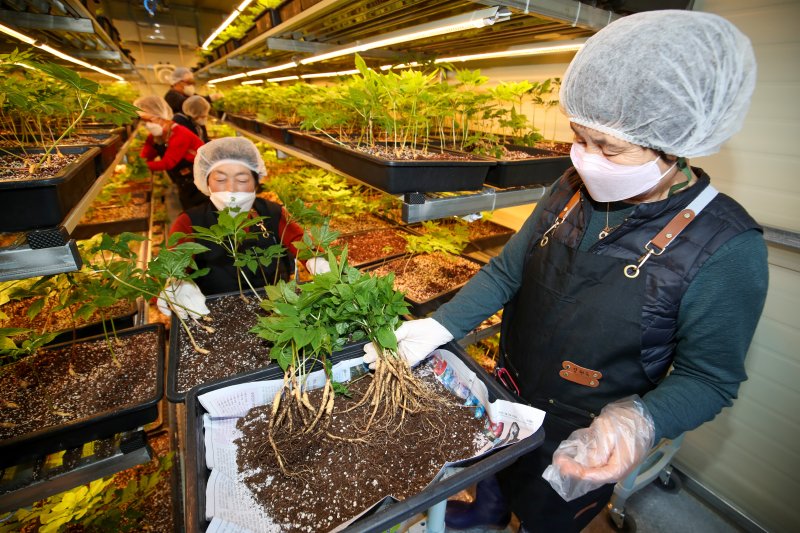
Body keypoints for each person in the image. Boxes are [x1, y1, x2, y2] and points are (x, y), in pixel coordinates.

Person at [362, 10, 768, 532]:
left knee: (547, 511)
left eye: (609, 148)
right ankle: (488, 506)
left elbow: (709, 378)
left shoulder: (726, 248)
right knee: (493, 473)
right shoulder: (570, 187)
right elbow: (509, 272)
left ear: (674, 146)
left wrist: (638, 422)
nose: (586, 159)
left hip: (582, 428)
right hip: (508, 390)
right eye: (579, 138)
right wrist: (440, 326)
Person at [159, 137, 331, 315]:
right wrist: (177, 281)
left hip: (276, 308)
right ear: (206, 182)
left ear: (256, 182)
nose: (231, 188)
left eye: (241, 180)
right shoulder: (190, 221)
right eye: (220, 180)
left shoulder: (272, 212)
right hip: (216, 312)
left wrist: (315, 259)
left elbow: (299, 241)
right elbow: (174, 258)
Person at [134, 95, 207, 210]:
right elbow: (147, 154)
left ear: (162, 116)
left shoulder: (180, 134)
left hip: (198, 178)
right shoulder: (157, 136)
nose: (147, 125)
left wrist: (143, 166)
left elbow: (168, 163)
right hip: (183, 179)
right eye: (144, 121)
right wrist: (140, 162)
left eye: (149, 120)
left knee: (197, 210)